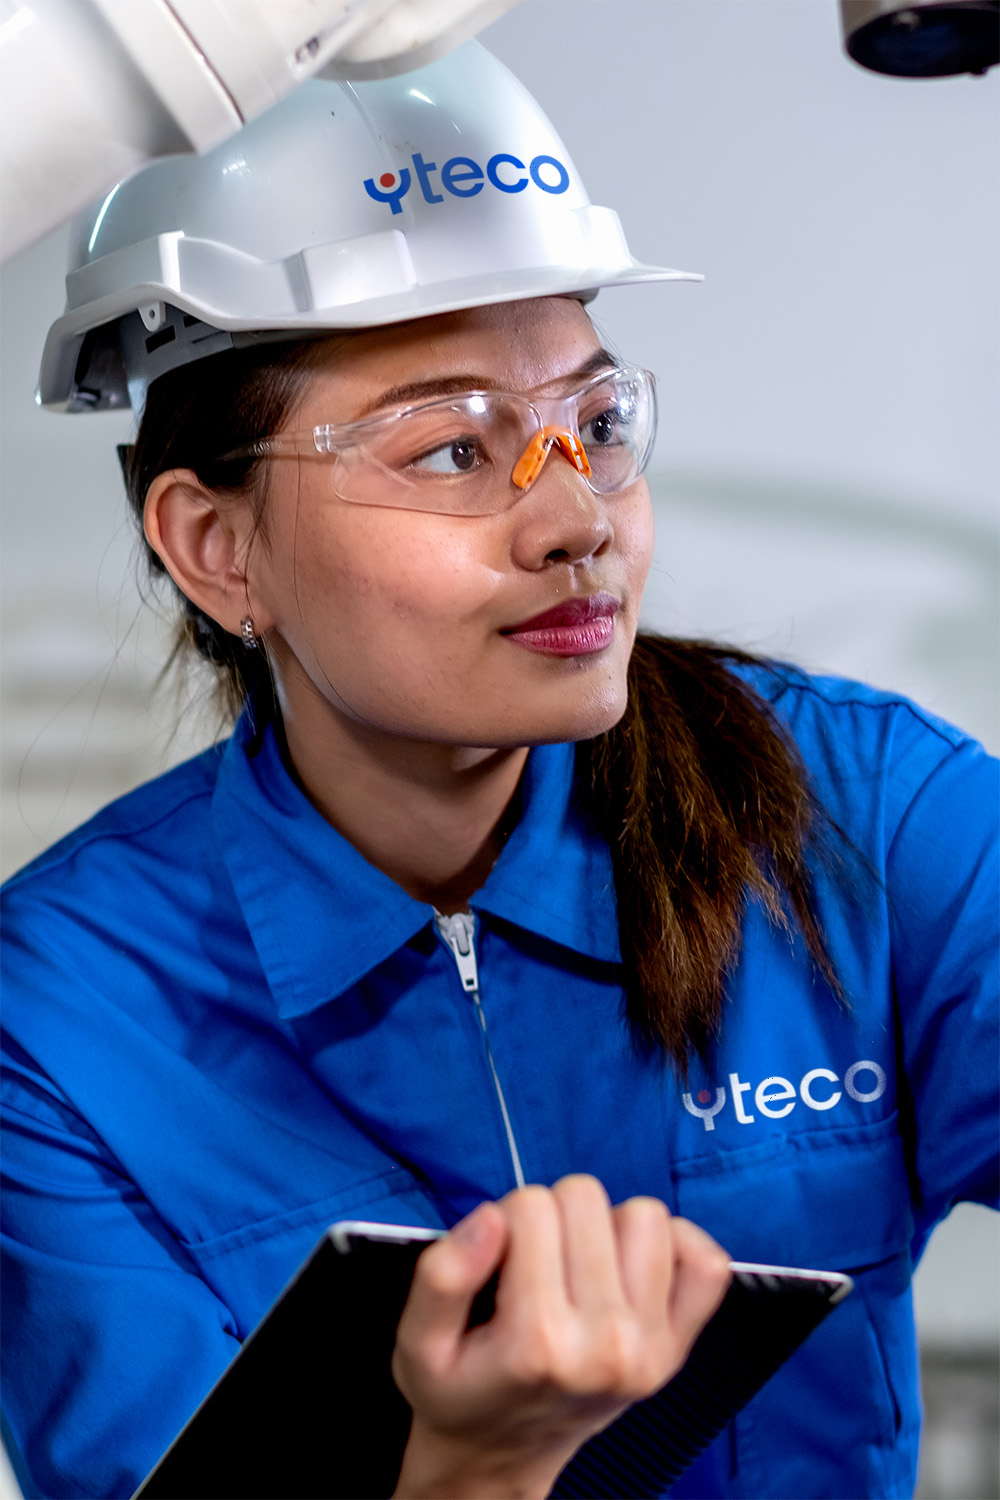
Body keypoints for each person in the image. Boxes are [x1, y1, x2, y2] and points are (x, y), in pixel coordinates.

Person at [2, 38, 997, 1500]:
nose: (576, 519)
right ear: (216, 551)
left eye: (597, 424)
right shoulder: (64, 1024)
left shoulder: (860, 818)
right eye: (455, 452)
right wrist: (476, 1467)